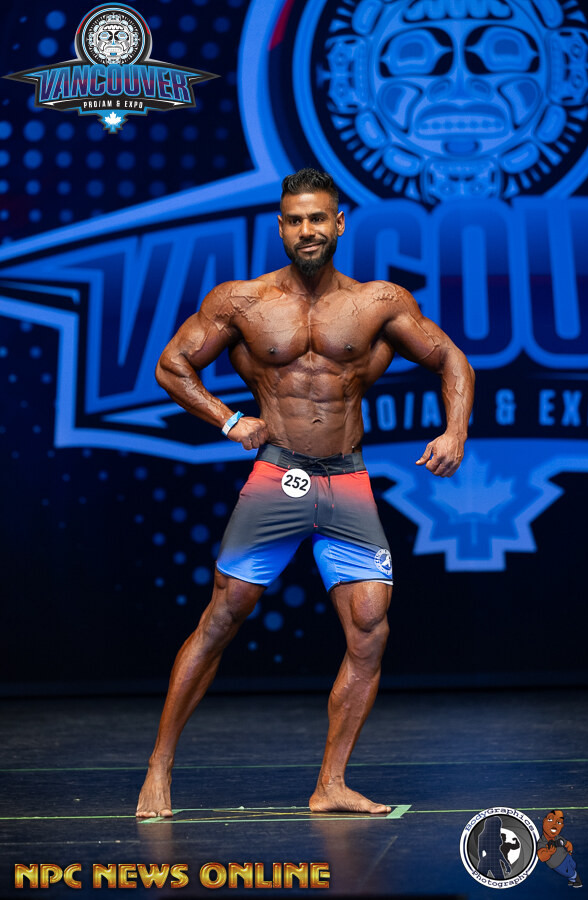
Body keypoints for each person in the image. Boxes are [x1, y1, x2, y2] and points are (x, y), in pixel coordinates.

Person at [136, 168, 475, 818]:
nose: (307, 230)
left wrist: (455, 431)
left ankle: (331, 784)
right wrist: (228, 420)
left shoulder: (378, 302)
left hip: (346, 478)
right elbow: (172, 365)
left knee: (370, 629)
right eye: (294, 220)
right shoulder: (243, 302)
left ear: (339, 223)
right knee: (223, 616)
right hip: (279, 476)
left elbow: (450, 359)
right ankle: (159, 765)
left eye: (318, 218)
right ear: (281, 227)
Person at [537, 810, 582, 888]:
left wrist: (570, 851)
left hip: (566, 856)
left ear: (562, 825)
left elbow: (567, 844)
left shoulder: (558, 838)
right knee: (570, 873)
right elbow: (542, 857)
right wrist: (549, 853)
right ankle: (576, 879)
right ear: (544, 821)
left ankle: (571, 880)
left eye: (559, 822)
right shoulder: (542, 842)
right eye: (550, 819)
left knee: (573, 865)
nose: (554, 824)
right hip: (557, 864)